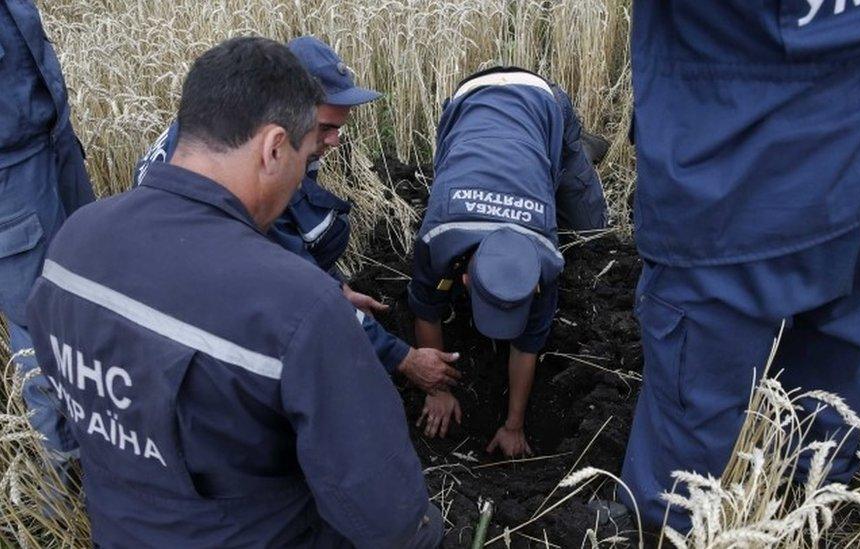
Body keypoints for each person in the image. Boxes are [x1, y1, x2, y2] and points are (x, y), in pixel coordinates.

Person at [26, 36, 442, 547]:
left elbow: (68, 404)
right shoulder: (298, 307)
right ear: (273, 148)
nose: (302, 178)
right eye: (308, 151)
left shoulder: (73, 243)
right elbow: (382, 510)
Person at [624, 0, 860, 533]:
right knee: (840, 363)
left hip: (737, 178)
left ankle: (665, 528)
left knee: (694, 400)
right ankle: (810, 510)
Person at [133, 36, 460, 396]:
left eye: (339, 127)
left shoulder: (252, 130)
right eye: (325, 127)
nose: (335, 140)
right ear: (284, 114)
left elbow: (297, 245)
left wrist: (340, 288)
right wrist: (404, 359)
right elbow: (296, 284)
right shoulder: (246, 181)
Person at [408, 66, 608, 457]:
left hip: (541, 102)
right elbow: (426, 312)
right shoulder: (437, 240)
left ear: (534, 284)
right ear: (464, 280)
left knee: (590, 232)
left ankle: (576, 150)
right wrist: (438, 389)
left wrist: (514, 424)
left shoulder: (546, 260)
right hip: (470, 103)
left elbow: (527, 346)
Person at [0, 0, 95, 457]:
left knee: (94, 284)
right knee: (41, 325)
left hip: (55, 140)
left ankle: (107, 439)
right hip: (8, 178)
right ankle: (65, 481)